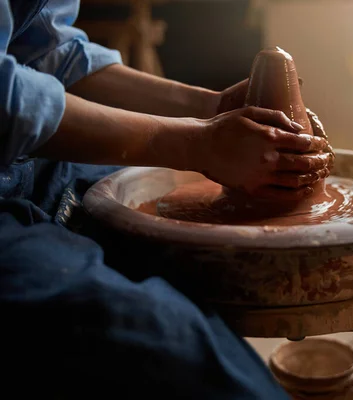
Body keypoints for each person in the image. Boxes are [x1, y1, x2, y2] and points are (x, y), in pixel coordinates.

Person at [0, 1, 331, 398]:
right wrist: (195, 143)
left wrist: (210, 108)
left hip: (27, 159)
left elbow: (49, 52)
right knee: (206, 369)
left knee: (190, 256)